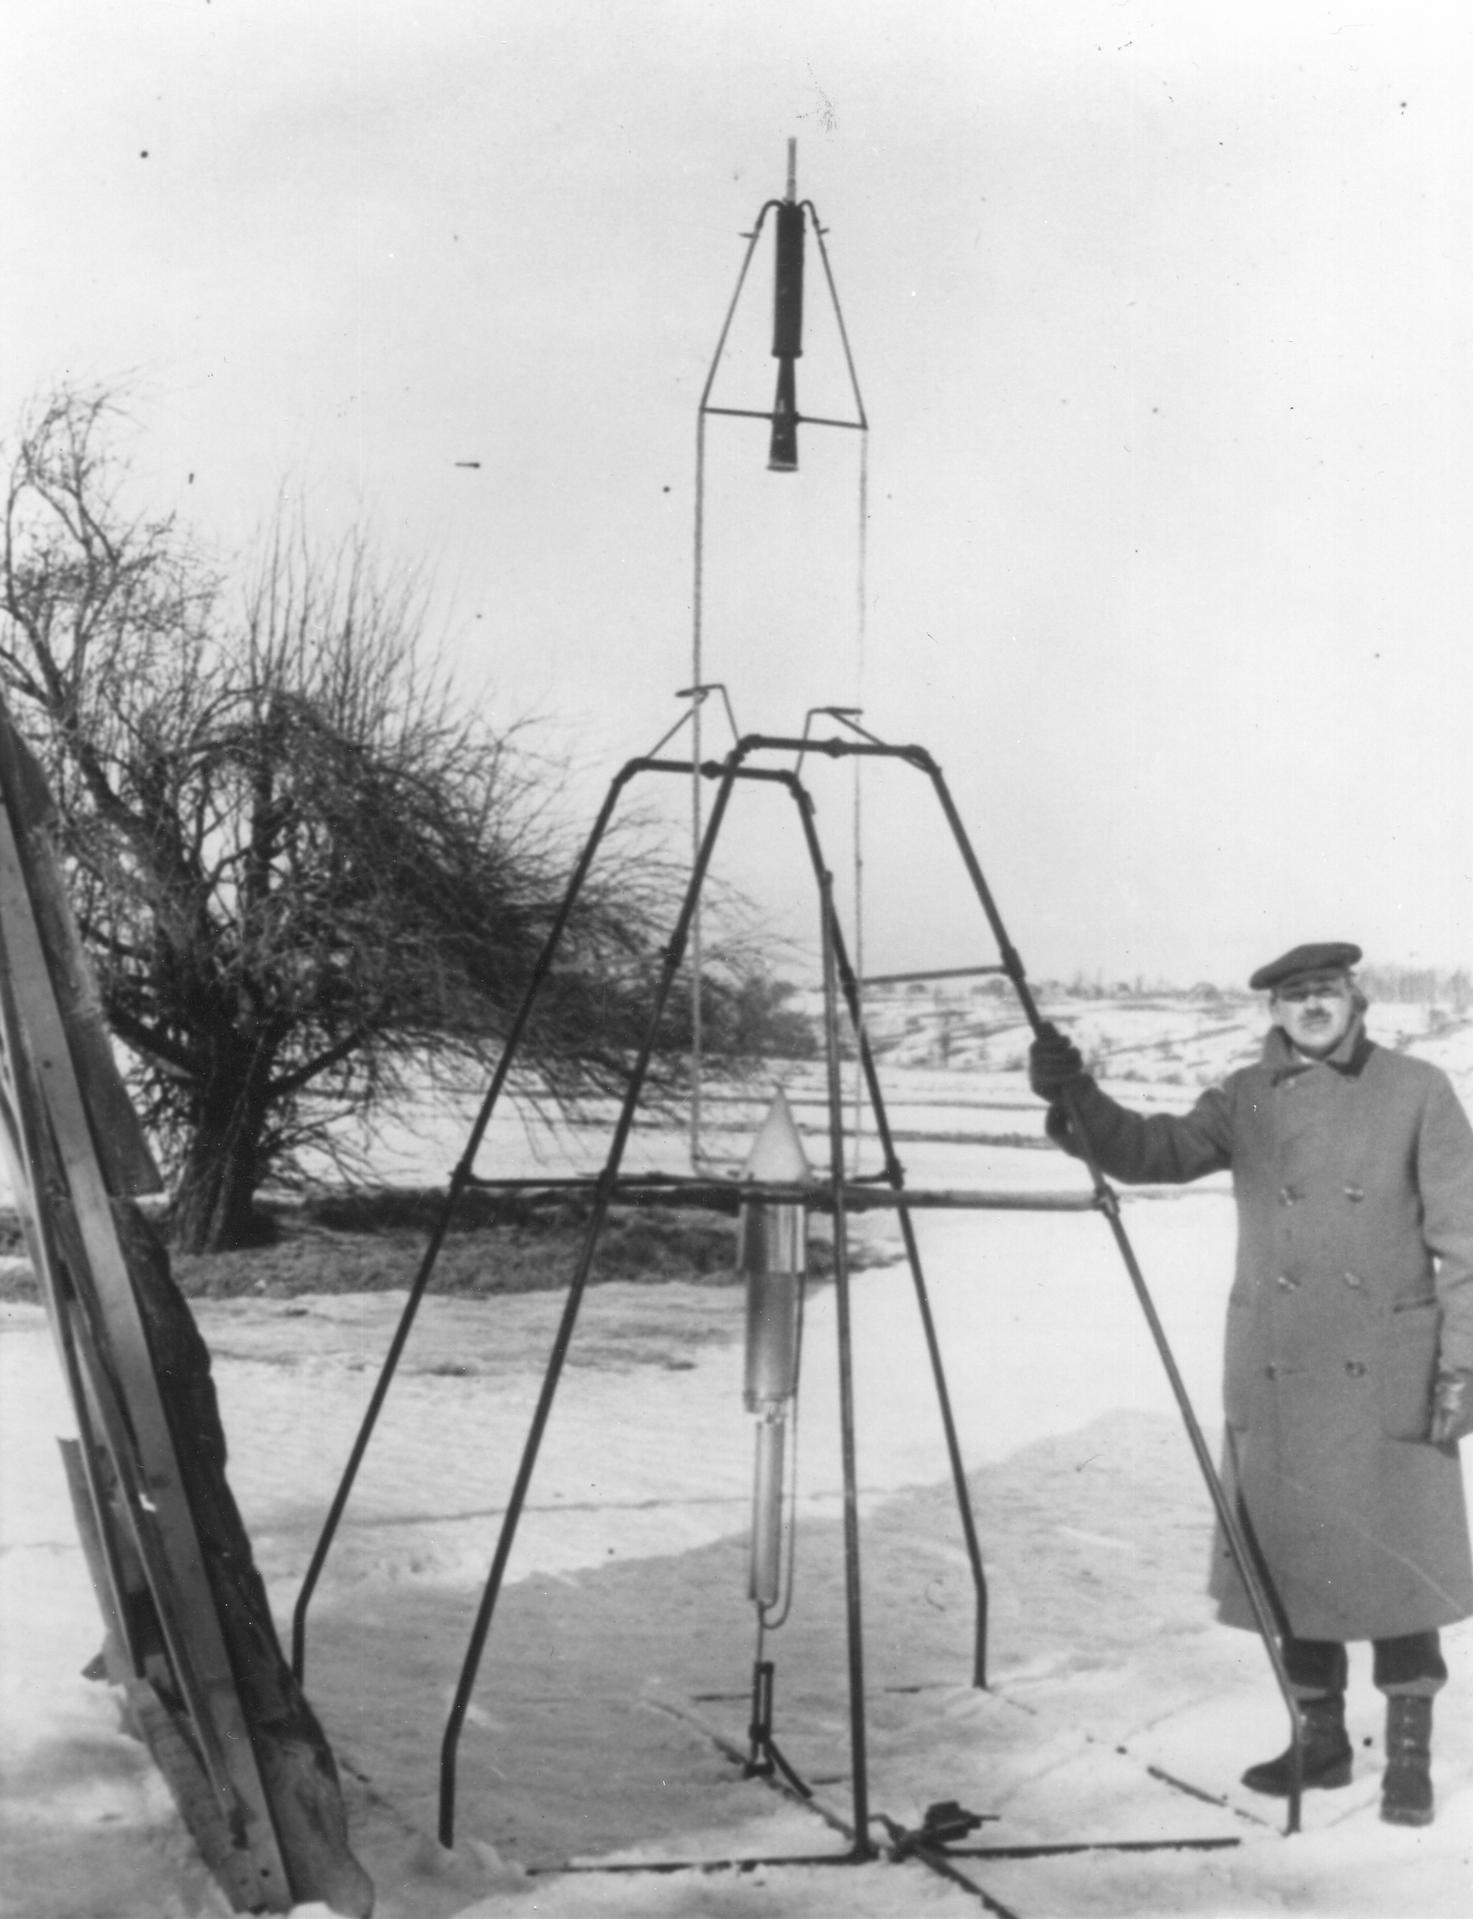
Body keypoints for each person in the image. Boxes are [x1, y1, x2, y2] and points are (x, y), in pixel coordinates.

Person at [1027, 942, 1473, 1827]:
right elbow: (1150, 1150)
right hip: (1277, 1367)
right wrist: (1071, 1095)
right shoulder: (1245, 1095)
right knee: (1291, 1552)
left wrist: (1461, 1364)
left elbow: (1467, 1238)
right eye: (1295, 995)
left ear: (1357, 1000)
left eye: (1326, 992)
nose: (1312, 1007)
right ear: (1273, 1011)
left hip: (1385, 1362)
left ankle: (1409, 1757)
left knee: (1395, 1564)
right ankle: (1319, 1739)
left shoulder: (1418, 1088)